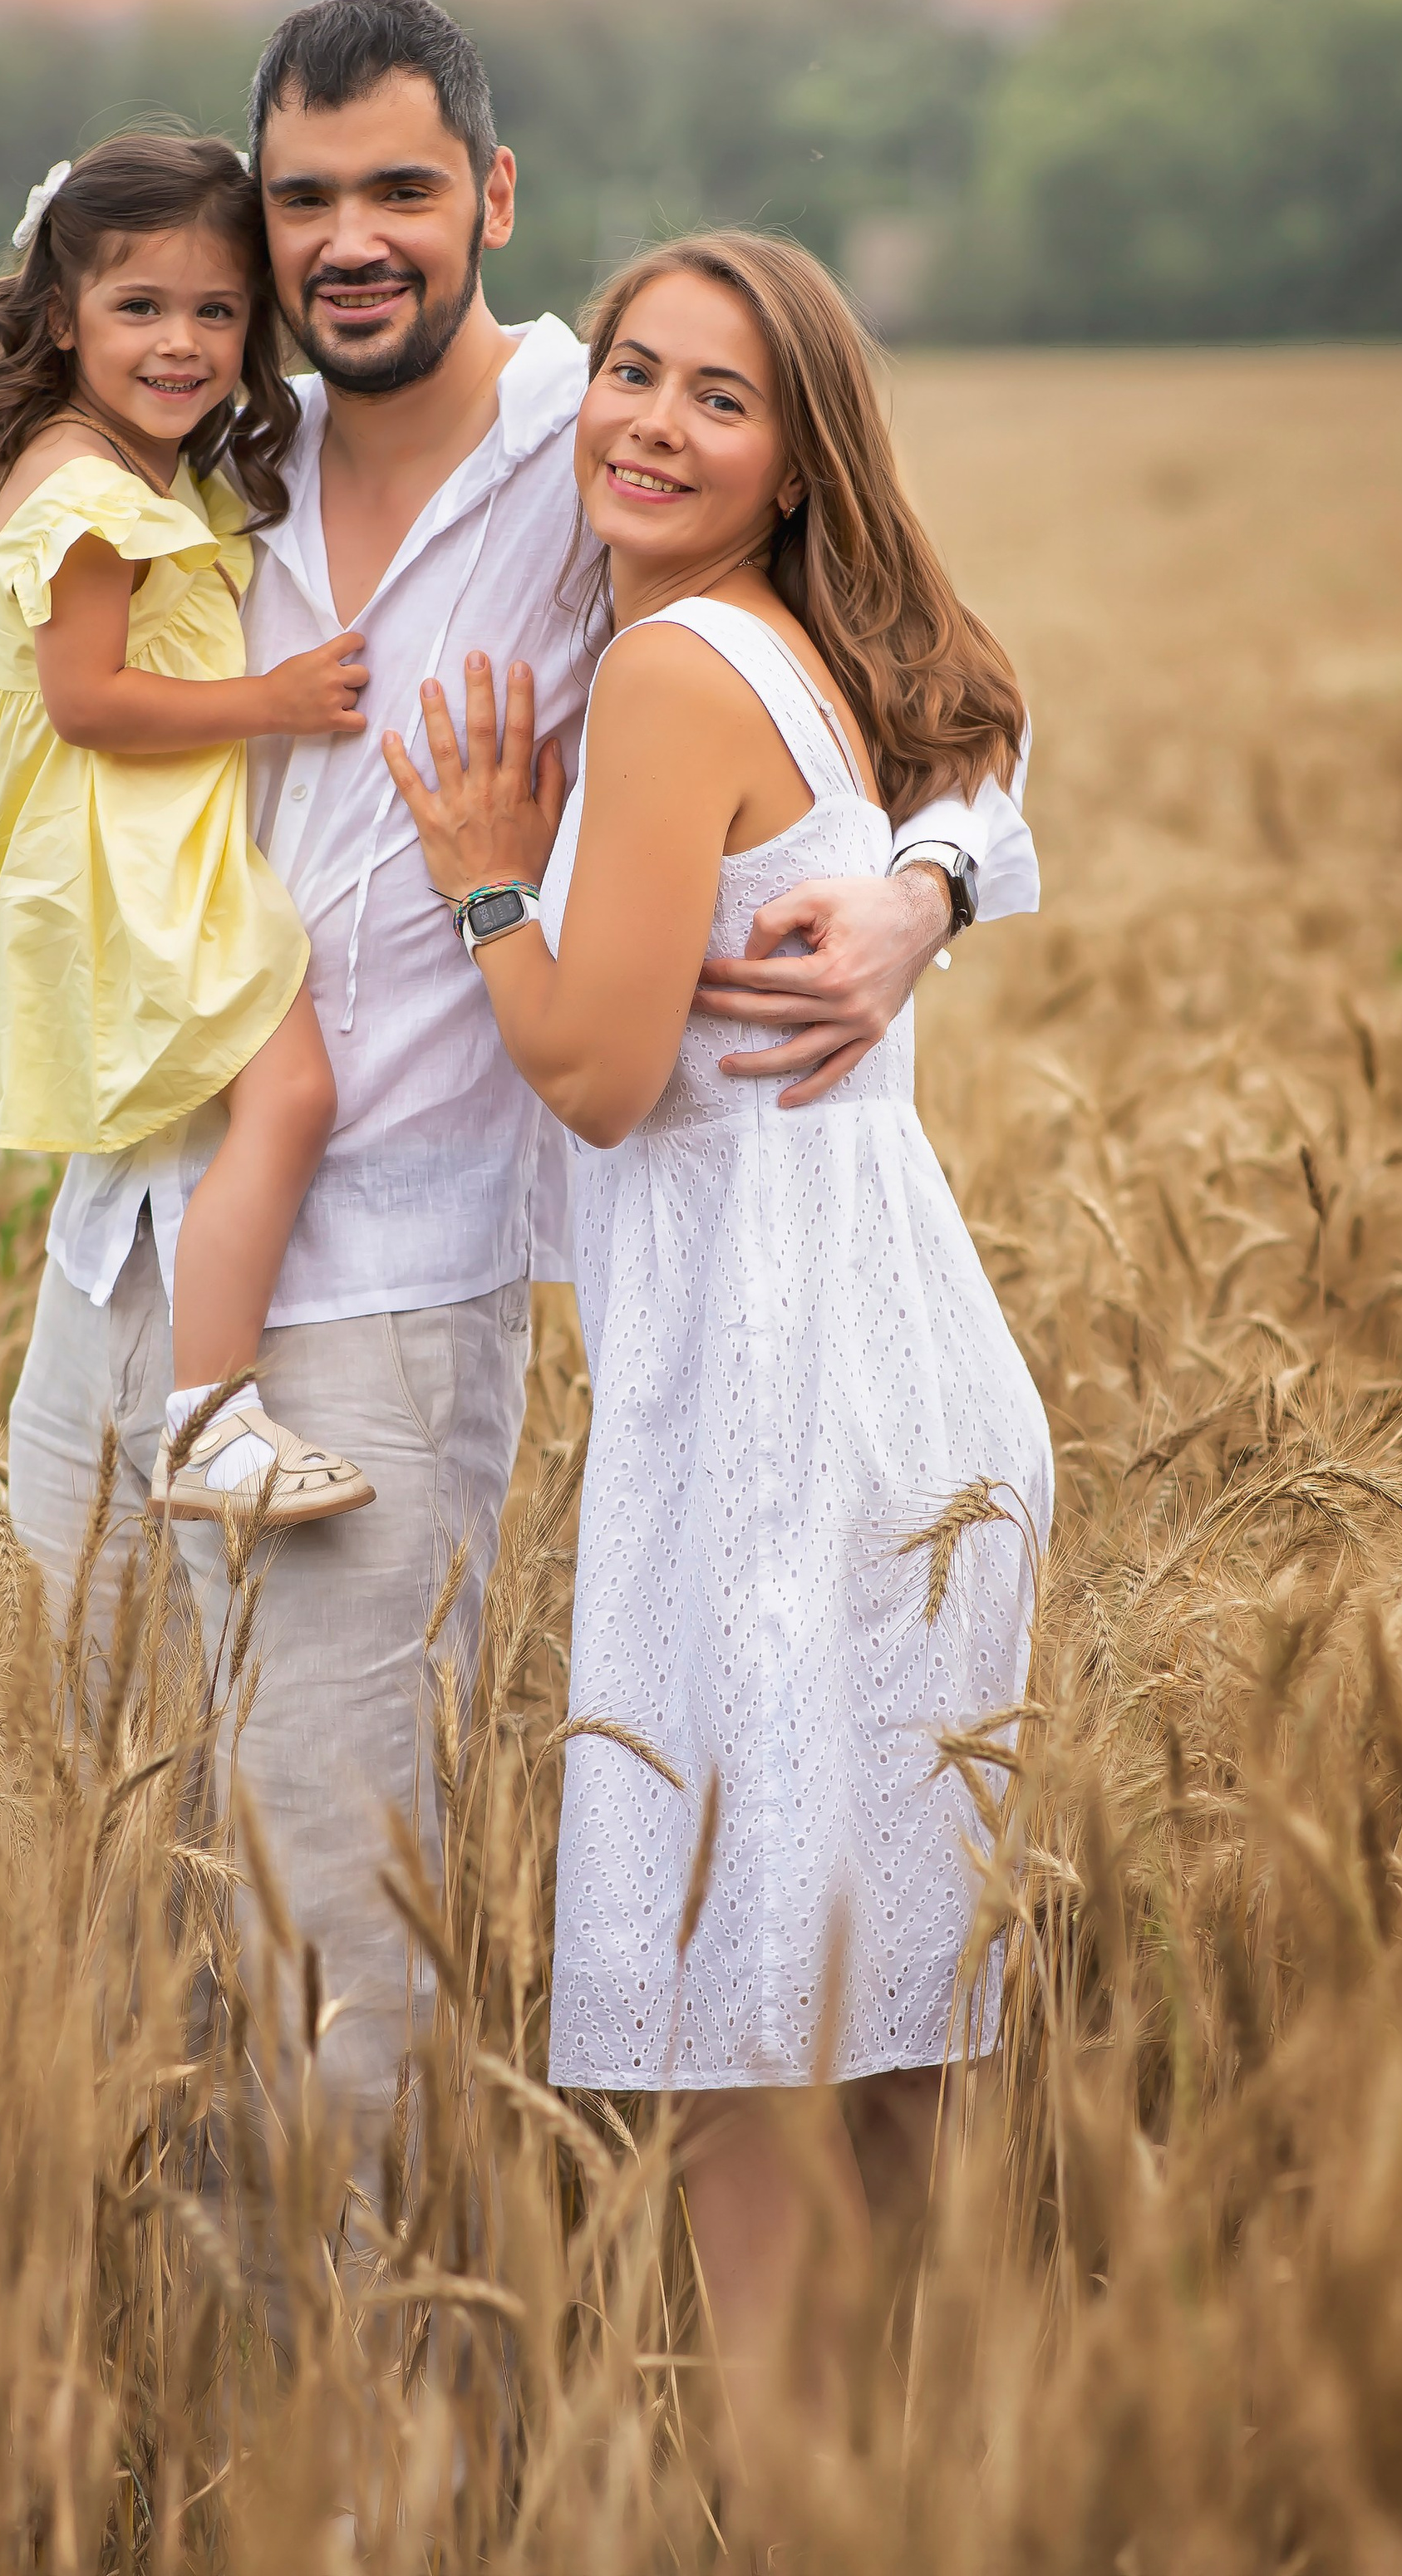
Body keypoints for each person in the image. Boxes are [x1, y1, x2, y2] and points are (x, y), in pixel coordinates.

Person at [6, 0, 1039, 2177]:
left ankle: (384, 2484)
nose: (349, 238)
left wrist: (926, 890)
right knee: (113, 1912)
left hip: (385, 1285)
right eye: (303, 198)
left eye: (400, 186)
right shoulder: (209, 433)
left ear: (490, 192)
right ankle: (203, 2455)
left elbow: (938, 681)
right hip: (119, 1248)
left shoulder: (604, 433)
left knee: (332, 1956)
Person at [381, 226, 1053, 2412]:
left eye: (717, 398)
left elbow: (586, 1061)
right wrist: (933, 884)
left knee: (752, 2049)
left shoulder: (678, 673)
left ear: (794, 463)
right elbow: (996, 718)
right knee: (888, 2033)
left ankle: (803, 2517)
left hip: (774, 1404)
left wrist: (487, 863)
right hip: (900, 1382)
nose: (652, 423)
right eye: (633, 372)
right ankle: (937, 2496)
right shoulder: (809, 647)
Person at [0, 132, 381, 1521]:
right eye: (140, 308)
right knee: (293, 1095)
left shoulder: (112, 456)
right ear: (62, 316)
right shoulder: (83, 496)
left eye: (216, 311)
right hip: (119, 855)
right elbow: (83, 702)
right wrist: (276, 700)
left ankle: (201, 1407)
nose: (182, 344)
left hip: (130, 837)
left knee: (266, 1097)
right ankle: (212, 1421)